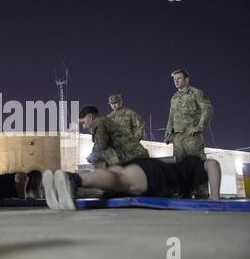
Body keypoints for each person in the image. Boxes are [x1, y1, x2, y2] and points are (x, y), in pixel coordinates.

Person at [42, 156, 221, 210]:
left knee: (115, 176)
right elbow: (213, 164)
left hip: (145, 166)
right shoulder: (190, 165)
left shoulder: (183, 167)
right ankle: (72, 180)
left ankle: (69, 178)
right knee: (121, 180)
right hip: (156, 176)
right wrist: (215, 197)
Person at [164, 69, 213, 162]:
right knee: (179, 167)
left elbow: (207, 109)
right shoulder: (174, 97)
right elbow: (171, 116)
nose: (176, 81)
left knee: (197, 165)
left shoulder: (196, 93)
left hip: (191, 137)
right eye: (174, 79)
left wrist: (199, 126)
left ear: (186, 80)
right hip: (177, 139)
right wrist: (168, 133)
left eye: (179, 78)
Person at [79, 105, 148, 168]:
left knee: (96, 156)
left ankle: (111, 176)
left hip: (134, 157)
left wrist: (91, 157)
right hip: (138, 154)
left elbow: (101, 146)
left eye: (83, 122)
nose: (84, 127)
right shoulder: (106, 120)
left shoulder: (99, 123)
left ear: (90, 118)